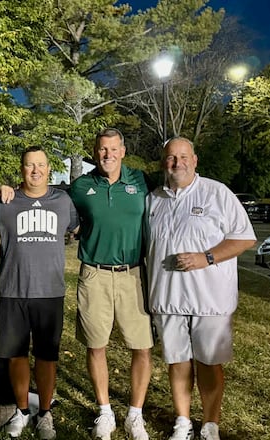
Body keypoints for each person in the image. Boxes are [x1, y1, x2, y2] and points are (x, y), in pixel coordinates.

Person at [145, 137, 256, 440]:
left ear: (195, 160)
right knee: (177, 361)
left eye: (184, 157)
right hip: (167, 297)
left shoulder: (217, 193)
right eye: (171, 157)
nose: (177, 163)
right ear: (163, 162)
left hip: (210, 298)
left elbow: (245, 238)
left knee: (209, 362)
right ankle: (183, 423)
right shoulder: (153, 199)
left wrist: (206, 257)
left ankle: (209, 425)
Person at [0, 147, 79, 439]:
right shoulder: (6, 201)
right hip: (13, 291)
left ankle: (45, 412)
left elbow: (80, 228)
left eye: (40, 165)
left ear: (49, 168)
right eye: (29, 165)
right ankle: (22, 410)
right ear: (22, 169)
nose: (35, 170)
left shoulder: (63, 201)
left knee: (47, 356)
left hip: (49, 292)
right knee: (16, 355)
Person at [69, 128, 154, 440]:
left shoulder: (142, 181)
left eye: (113, 149)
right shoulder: (81, 186)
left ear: (123, 151)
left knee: (142, 346)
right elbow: (49, 200)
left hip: (134, 273)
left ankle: (135, 415)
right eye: (102, 149)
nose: (108, 155)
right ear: (95, 152)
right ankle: (105, 412)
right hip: (95, 273)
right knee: (96, 344)